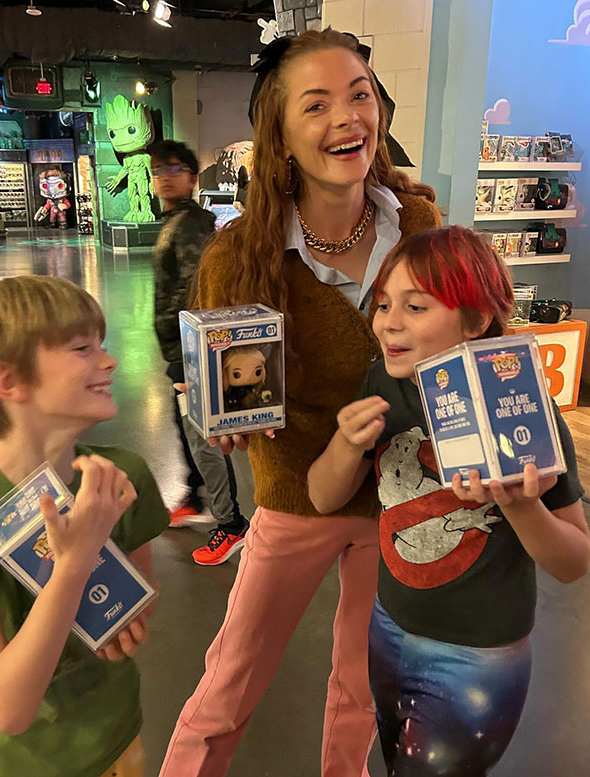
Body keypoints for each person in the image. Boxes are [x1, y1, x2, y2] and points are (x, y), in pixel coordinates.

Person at [159, 29, 440, 777]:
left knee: (361, 685)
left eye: (360, 96)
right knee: (230, 679)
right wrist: (223, 424)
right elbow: (227, 393)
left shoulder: (418, 225)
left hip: (399, 493)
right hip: (296, 492)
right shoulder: (241, 253)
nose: (347, 117)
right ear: (279, 134)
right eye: (316, 105)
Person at [308, 225, 589, 777]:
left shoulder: (522, 408)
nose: (389, 322)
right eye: (384, 303)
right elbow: (322, 497)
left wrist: (517, 503)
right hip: (388, 626)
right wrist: (345, 442)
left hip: (477, 656)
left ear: (478, 317)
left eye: (416, 307)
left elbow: (573, 560)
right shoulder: (383, 383)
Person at [0, 275, 169, 777]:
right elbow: (6, 709)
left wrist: (124, 619)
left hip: (116, 737)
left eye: (102, 345)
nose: (109, 360)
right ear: (6, 380)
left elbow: (140, 600)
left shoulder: (121, 476)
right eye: (81, 348)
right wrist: (73, 564)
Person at [149, 139, 249, 565]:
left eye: (175, 169)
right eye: (159, 170)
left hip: (189, 348)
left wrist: (189, 348)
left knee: (201, 434)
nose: (166, 177)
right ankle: (194, 494)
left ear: (191, 177)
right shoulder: (177, 221)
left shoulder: (190, 225)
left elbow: (197, 291)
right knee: (184, 425)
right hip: (179, 346)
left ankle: (230, 524)